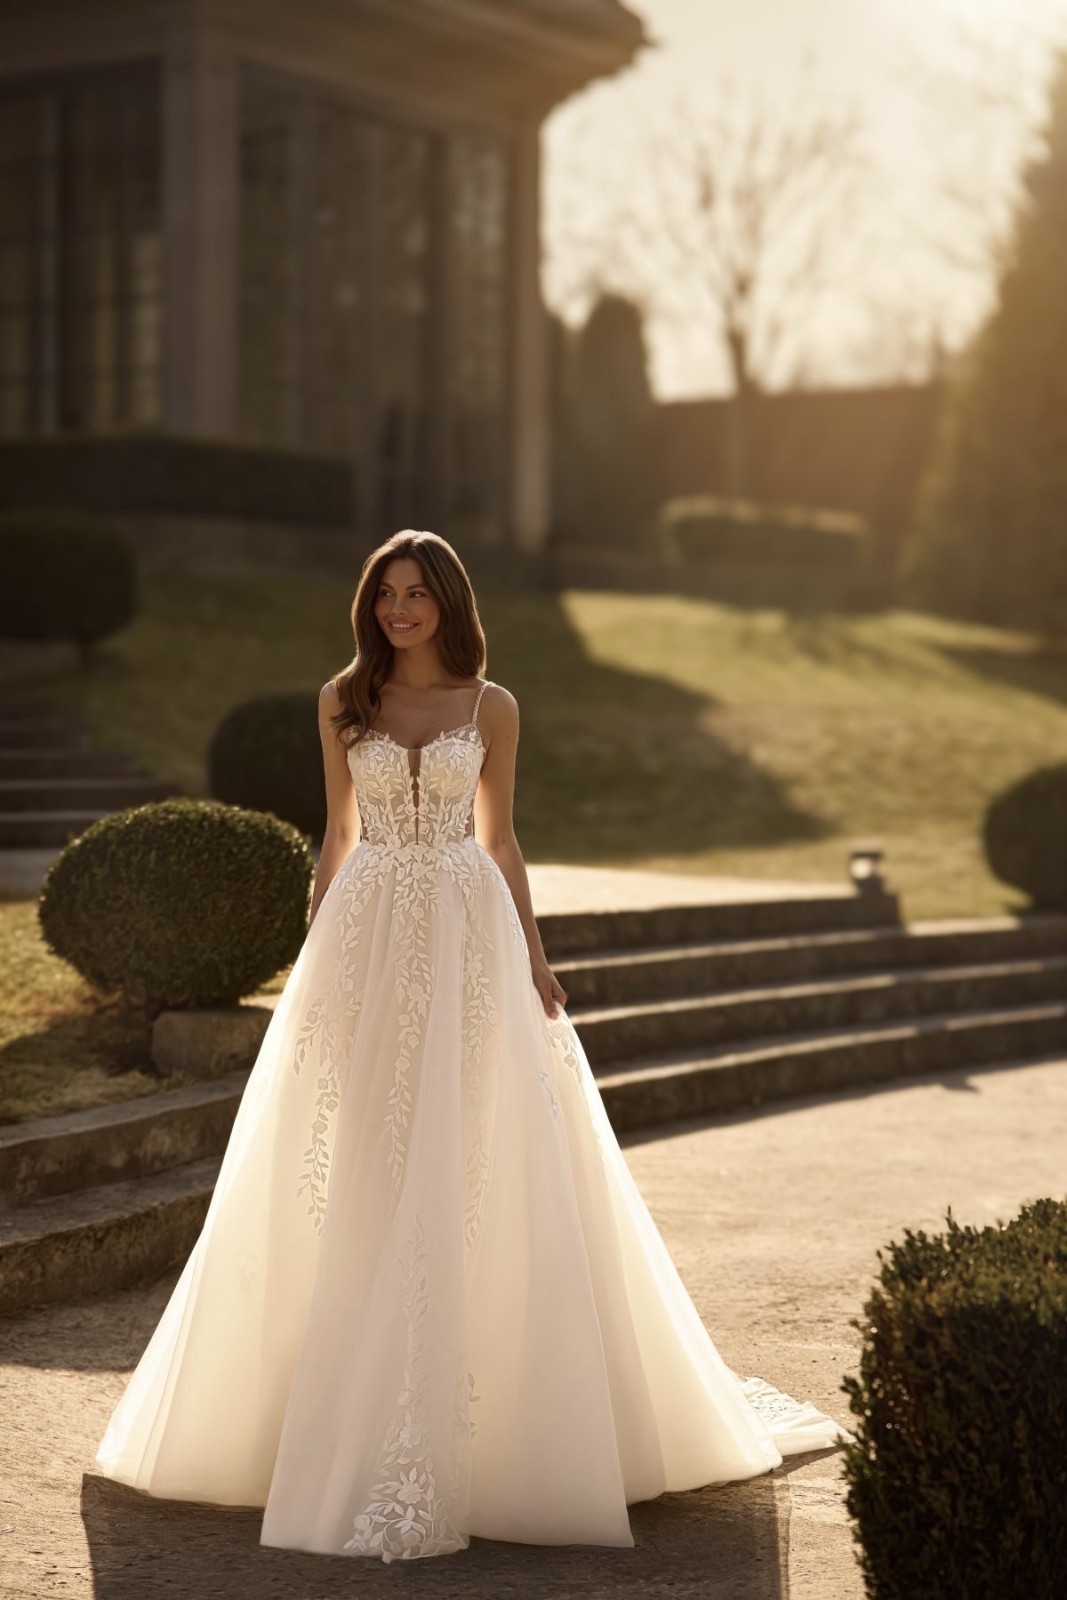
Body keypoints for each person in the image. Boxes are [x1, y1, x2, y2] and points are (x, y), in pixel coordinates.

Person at [94, 528, 846, 1562]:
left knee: (473, 1152)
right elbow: (337, 832)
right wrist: (317, 958)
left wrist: (533, 955)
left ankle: (490, 1426)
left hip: (466, 935)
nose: (399, 609)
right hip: (365, 931)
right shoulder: (341, 699)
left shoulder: (491, 705)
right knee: (357, 1160)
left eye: (416, 593)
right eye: (386, 594)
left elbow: (498, 838)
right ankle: (332, 1411)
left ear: (448, 601)